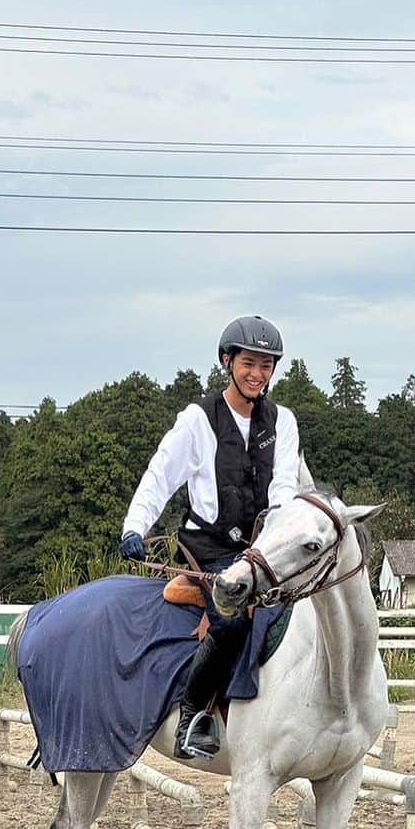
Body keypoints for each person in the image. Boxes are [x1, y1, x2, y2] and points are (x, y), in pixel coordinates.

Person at [119, 315, 302, 759]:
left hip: (263, 547)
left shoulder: (283, 421)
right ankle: (192, 714)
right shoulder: (198, 420)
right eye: (249, 364)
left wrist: (277, 534)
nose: (257, 374)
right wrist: (135, 525)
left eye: (266, 365)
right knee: (233, 616)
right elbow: (161, 475)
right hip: (209, 549)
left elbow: (285, 485)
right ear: (228, 361)